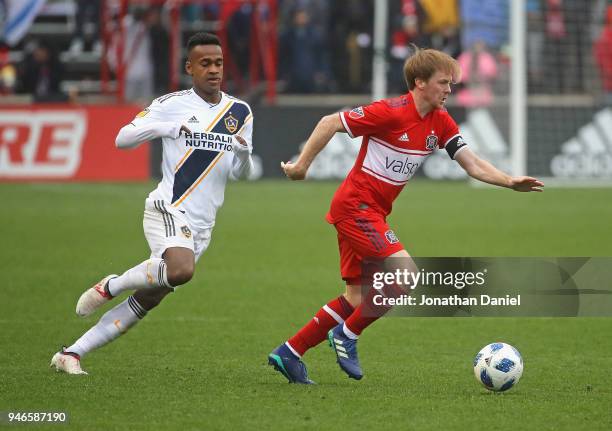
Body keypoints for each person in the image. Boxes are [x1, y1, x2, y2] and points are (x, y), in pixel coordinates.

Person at [268, 47, 543, 384]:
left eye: (451, 83)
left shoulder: (440, 121)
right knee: (405, 275)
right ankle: (347, 336)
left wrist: (508, 181)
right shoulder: (390, 112)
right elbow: (329, 123)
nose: (449, 90)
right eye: (443, 82)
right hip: (356, 207)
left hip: (370, 212)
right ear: (419, 82)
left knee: (356, 298)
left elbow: (471, 163)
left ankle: (290, 352)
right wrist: (301, 166)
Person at [50, 32, 255, 374]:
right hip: (169, 207)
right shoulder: (171, 104)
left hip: (202, 225)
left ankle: (71, 353)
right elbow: (122, 138)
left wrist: (245, 153)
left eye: (218, 63)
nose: (214, 70)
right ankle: (111, 285)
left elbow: (242, 175)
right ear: (190, 68)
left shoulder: (240, 112)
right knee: (180, 271)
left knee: (150, 297)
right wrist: (169, 127)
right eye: (205, 63)